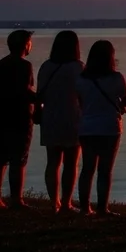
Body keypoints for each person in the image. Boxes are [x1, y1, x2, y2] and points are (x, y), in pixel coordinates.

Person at [75, 40, 126, 216]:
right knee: (105, 170)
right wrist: (119, 103)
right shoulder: (116, 78)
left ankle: (84, 208)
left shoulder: (81, 79)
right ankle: (102, 208)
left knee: (87, 168)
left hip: (87, 127)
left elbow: (81, 103)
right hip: (109, 126)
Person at [36, 30, 83, 214]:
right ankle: (66, 203)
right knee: (71, 163)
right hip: (73, 117)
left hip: (50, 117)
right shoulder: (78, 67)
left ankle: (54, 202)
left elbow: (40, 93)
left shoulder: (46, 66)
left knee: (52, 162)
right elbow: (83, 94)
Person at [0, 30, 36, 210]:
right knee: (18, 159)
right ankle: (17, 199)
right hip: (20, 116)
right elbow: (25, 90)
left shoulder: (2, 64)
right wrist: (41, 98)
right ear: (25, 45)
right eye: (30, 43)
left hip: (2, 115)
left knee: (1, 158)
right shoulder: (25, 66)